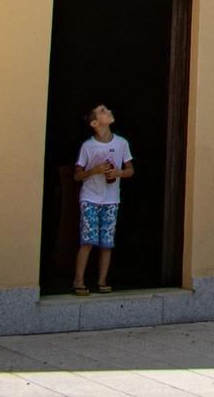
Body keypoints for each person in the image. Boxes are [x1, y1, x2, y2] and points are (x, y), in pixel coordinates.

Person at [73, 103, 133, 294]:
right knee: (88, 240)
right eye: (102, 111)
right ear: (95, 123)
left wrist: (118, 173)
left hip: (111, 199)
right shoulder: (88, 146)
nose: (108, 111)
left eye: (107, 109)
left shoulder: (122, 143)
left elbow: (131, 170)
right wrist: (94, 170)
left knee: (107, 242)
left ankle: (102, 281)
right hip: (90, 197)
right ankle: (79, 281)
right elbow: (77, 175)